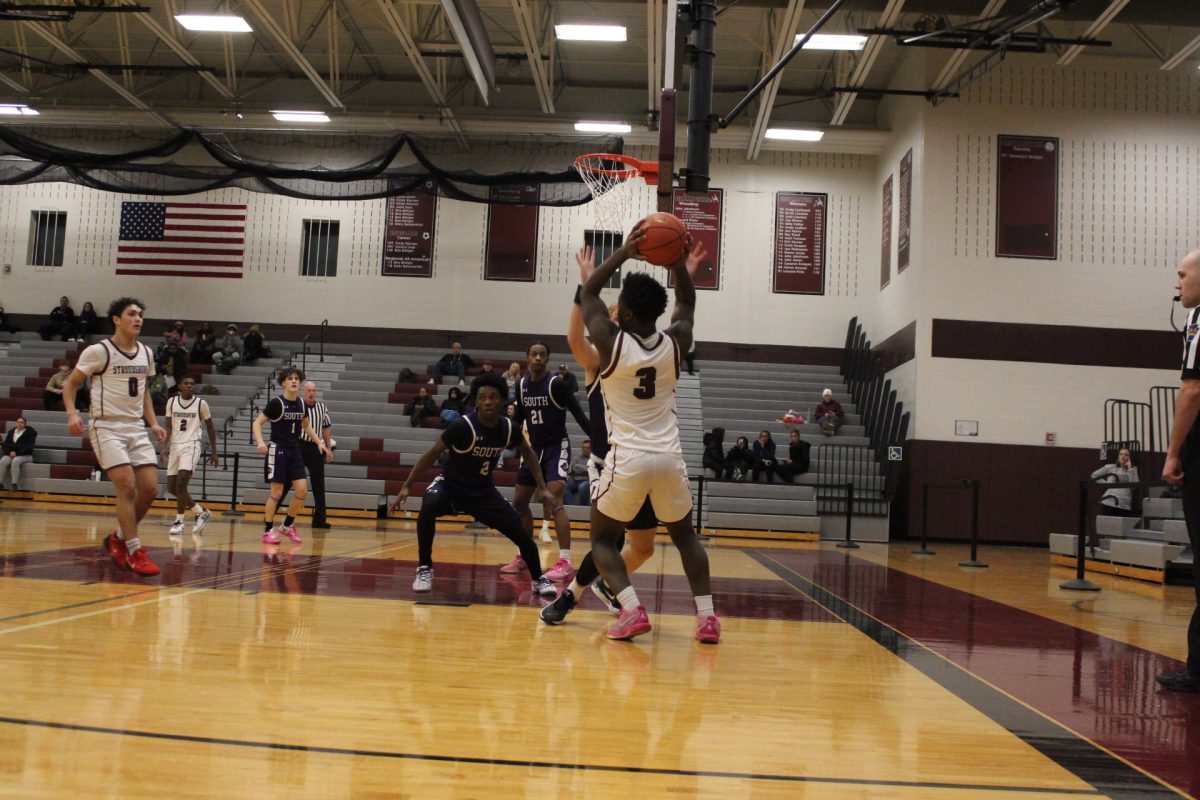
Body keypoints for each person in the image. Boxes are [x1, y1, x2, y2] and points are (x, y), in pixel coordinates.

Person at [541, 242, 706, 627]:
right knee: (611, 541)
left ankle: (603, 588)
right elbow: (574, 339)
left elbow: (670, 315)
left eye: (617, 313)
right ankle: (572, 596)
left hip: (636, 458)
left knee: (643, 547)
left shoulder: (628, 349)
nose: (612, 318)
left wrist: (589, 286)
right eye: (609, 313)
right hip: (609, 461)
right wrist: (580, 292)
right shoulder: (598, 359)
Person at [576, 223, 719, 643]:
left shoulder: (610, 343)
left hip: (629, 459)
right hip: (670, 458)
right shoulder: (678, 342)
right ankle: (707, 617)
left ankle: (633, 610)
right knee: (685, 538)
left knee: (602, 540)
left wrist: (623, 254)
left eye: (621, 305)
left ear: (629, 314)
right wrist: (678, 266)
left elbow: (589, 296)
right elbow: (688, 302)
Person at [388, 372, 558, 598]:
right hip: (452, 487)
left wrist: (542, 486)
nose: (488, 401)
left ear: (501, 400)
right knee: (429, 504)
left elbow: (528, 452)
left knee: (521, 533)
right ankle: (424, 568)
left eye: (493, 397)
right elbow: (431, 454)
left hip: (483, 493)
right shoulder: (462, 426)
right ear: (476, 401)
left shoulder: (509, 428)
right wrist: (407, 486)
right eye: (483, 397)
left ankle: (538, 578)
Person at [62, 297, 167, 577]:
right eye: (131, 314)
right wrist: (73, 414)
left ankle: (118, 538)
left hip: (135, 427)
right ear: (116, 320)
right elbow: (70, 386)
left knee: (150, 489)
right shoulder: (98, 351)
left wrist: (153, 423)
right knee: (127, 484)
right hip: (106, 426)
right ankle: (134, 551)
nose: (138, 319)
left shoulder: (146, 352)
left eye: (141, 314)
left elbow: (143, 391)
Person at [502, 340, 591, 582]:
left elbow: (579, 413)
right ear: (527, 358)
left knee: (553, 500)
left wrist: (597, 439)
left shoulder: (556, 385)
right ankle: (525, 554)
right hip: (533, 450)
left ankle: (565, 561)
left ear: (547, 359)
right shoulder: (521, 386)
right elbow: (519, 419)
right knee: (518, 503)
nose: (538, 358)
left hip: (555, 448)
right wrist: (509, 435)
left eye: (542, 354)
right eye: (534, 354)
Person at [1159, 249, 1200, 694]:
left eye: (1182, 275)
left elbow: (1192, 390)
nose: (1177, 283)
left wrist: (1173, 452)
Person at [252, 367, 330, 545]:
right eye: (290, 379)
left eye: (296, 378)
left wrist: (319, 442)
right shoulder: (276, 404)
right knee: (277, 492)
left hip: (295, 450)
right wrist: (260, 442)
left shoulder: (301, 404)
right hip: (278, 450)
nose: (294, 381)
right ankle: (268, 530)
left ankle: (286, 526)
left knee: (302, 490)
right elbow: (257, 423)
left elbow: (306, 426)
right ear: (283, 383)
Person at [164, 376, 217, 536]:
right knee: (172, 487)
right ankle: (200, 511)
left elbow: (210, 427)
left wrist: (214, 451)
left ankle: (179, 522)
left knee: (181, 484)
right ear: (179, 386)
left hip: (191, 445)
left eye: (192, 384)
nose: (189, 386)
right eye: (186, 383)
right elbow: (168, 425)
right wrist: (165, 446)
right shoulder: (171, 402)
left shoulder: (201, 403)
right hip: (175, 446)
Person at [300, 381, 334, 529]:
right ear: (303, 391)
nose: (311, 393)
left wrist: (328, 447)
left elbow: (326, 427)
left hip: (315, 448)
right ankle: (271, 514)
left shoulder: (321, 407)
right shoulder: (297, 406)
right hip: (298, 446)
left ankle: (320, 519)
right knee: (288, 481)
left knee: (319, 485)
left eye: (314, 390)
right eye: (309, 390)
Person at [1093, 448, 1139, 517]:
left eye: (1126, 455)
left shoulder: (1133, 469)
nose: (1123, 456)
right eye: (1121, 454)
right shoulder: (1111, 467)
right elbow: (1094, 475)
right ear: (1118, 456)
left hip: (1124, 504)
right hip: (1109, 502)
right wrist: (1107, 485)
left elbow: (1135, 486)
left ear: (1129, 458)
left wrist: (1130, 469)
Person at [0, 417, 36, 491]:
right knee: (2, 461)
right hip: (11, 454)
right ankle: (0, 483)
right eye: (18, 422)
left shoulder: (30, 433)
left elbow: (29, 447)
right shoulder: (11, 432)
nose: (20, 424)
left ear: (25, 424)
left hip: (26, 455)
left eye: (22, 422)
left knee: (15, 461)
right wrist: (9, 452)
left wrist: (17, 453)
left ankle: (14, 484)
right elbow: (5, 445)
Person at [563, 439, 591, 505]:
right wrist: (584, 469)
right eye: (583, 448)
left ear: (591, 449)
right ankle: (572, 505)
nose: (585, 449)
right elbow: (570, 469)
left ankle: (583, 506)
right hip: (574, 481)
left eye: (587, 448)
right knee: (563, 486)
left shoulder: (593, 459)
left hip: (587, 481)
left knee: (582, 486)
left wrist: (578, 466)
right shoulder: (576, 458)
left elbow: (590, 471)